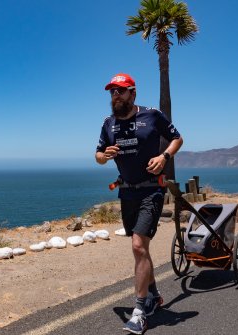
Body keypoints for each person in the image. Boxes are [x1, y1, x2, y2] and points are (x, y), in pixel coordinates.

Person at [95, 73, 183, 334]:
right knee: (141, 249)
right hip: (127, 193)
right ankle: (154, 296)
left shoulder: (152, 115)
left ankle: (139, 310)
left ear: (133, 93)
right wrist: (104, 155)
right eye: (112, 92)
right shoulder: (108, 124)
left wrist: (164, 156)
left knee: (137, 245)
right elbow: (98, 155)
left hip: (151, 191)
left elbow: (178, 138)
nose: (115, 96)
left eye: (120, 91)